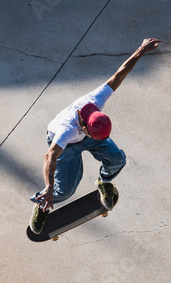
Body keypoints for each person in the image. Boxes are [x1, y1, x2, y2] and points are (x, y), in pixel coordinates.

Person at [30, 38, 162, 234]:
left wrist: (141, 50)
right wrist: (48, 186)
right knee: (65, 190)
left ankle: (104, 182)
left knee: (117, 158)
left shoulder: (96, 100)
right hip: (67, 146)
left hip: (89, 136)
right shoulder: (67, 128)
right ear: (84, 126)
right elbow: (49, 156)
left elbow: (120, 73)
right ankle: (42, 204)